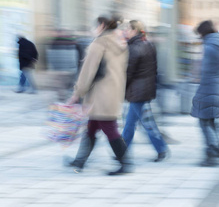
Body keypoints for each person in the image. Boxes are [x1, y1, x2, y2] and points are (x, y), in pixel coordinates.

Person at [66, 15, 130, 175]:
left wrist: (77, 93)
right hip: (112, 92)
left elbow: (87, 71)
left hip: (100, 94)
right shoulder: (121, 43)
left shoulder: (99, 43)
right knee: (91, 128)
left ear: (102, 25)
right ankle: (79, 162)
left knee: (109, 128)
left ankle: (126, 163)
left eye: (95, 26)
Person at [121, 20, 169, 162]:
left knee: (147, 123)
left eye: (128, 29)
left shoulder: (135, 48)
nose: (125, 31)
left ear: (135, 30)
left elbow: (129, 72)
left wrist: (121, 89)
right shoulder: (148, 44)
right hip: (144, 89)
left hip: (137, 91)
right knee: (130, 123)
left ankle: (161, 148)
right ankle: (122, 151)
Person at [191, 20, 219, 167]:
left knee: (204, 122)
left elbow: (204, 72)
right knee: (211, 121)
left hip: (209, 88)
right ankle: (217, 149)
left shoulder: (208, 47)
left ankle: (213, 154)